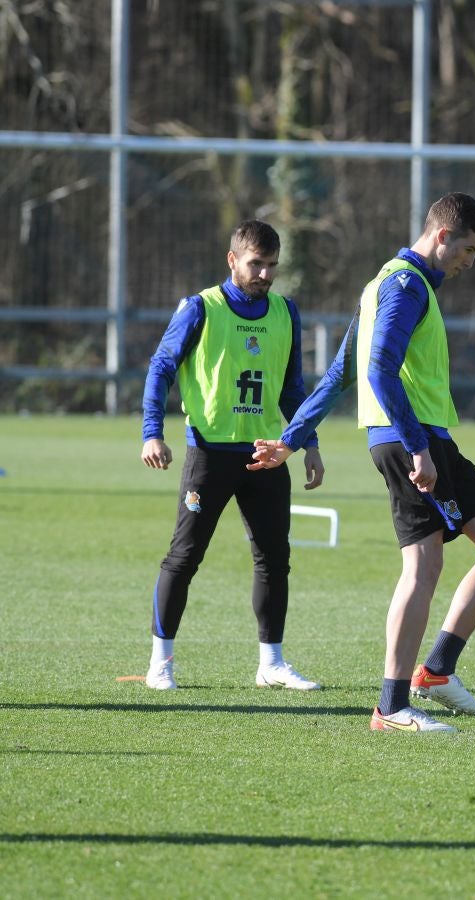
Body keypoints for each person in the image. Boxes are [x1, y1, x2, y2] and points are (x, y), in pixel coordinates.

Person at [250, 193, 475, 734]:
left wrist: (289, 440)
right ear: (442, 235)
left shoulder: (388, 283)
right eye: (468, 249)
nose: (470, 262)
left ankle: (437, 671)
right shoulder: (404, 287)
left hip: (427, 438)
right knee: (422, 569)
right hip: (409, 441)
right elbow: (377, 370)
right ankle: (391, 706)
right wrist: (418, 447)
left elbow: (339, 374)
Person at [140, 219, 324, 691]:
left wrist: (309, 444)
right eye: (256, 264)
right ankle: (160, 662)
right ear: (232, 260)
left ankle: (272, 664)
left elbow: (292, 388)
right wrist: (152, 433)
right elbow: (161, 367)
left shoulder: (286, 311)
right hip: (210, 455)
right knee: (184, 557)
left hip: (266, 455)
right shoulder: (200, 308)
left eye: (272, 265)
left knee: (274, 559)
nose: (265, 274)